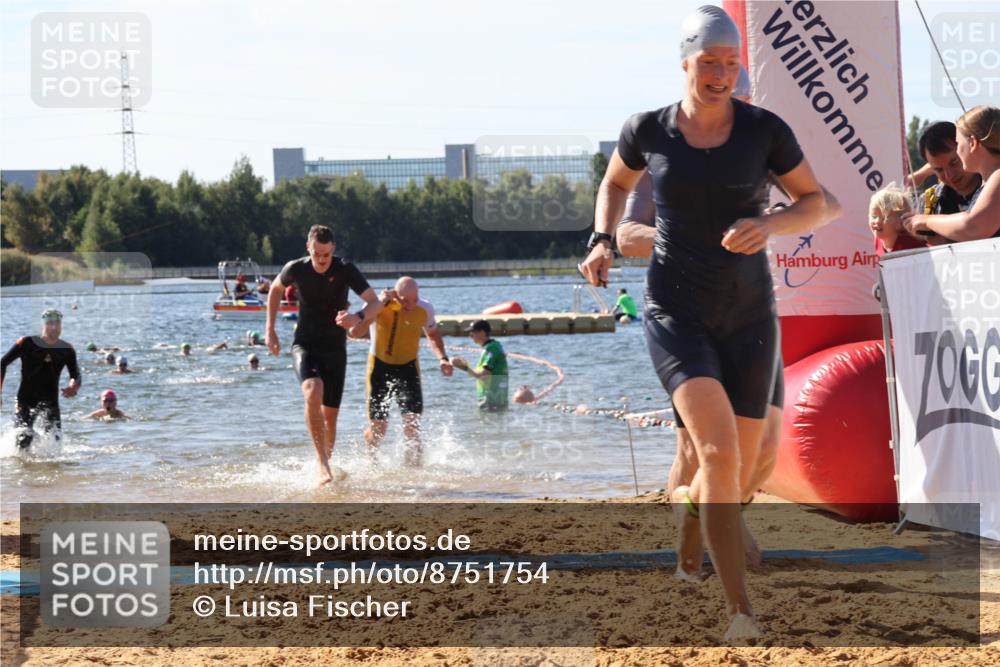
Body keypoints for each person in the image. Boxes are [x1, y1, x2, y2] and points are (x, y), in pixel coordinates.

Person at [580, 5, 837, 640]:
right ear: (685, 63)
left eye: (731, 63)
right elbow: (615, 185)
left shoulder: (762, 131)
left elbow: (822, 203)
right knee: (717, 454)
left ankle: (690, 508)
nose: (721, 74)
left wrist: (771, 224)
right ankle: (740, 612)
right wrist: (602, 238)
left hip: (748, 312)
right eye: (709, 63)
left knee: (749, 468)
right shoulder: (649, 130)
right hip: (675, 311)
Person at [266, 224, 383, 485]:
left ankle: (326, 468)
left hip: (334, 349)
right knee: (311, 389)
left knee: (330, 418)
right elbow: (275, 289)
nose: (321, 260)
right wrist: (270, 329)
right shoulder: (295, 268)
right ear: (308, 248)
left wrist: (358, 316)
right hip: (305, 344)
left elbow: (375, 303)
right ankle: (321, 464)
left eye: (326, 255)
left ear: (333, 251)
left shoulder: (345, 269)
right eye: (317, 253)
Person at [363, 277, 453, 467]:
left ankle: (414, 473)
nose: (410, 305)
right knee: (379, 428)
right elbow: (354, 331)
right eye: (405, 300)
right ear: (395, 294)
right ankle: (372, 460)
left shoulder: (424, 309)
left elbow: (434, 335)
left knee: (412, 425)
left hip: (408, 368)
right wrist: (378, 306)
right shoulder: (379, 305)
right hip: (379, 367)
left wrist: (442, 358)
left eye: (414, 299)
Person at [903, 106, 1000, 240]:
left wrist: (927, 221)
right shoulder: (991, 178)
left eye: (959, 143)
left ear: (972, 143)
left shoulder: (998, 176)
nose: (949, 175)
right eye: (938, 169)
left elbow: (973, 227)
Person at [1, 309, 81, 449]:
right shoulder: (26, 343)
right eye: (50, 323)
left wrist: (73, 386)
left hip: (50, 401)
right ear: (43, 325)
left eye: (57, 323)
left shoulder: (67, 349)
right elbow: (2, 363)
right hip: (26, 399)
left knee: (55, 443)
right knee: (23, 440)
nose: (54, 327)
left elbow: (76, 375)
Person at [453, 320, 508, 412]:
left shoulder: (491, 348)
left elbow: (484, 375)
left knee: (486, 424)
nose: (470, 335)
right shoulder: (495, 345)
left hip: (491, 399)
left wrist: (464, 367)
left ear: (482, 332)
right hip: (498, 398)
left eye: (473, 332)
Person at [869, 183, 923, 255]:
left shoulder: (910, 245)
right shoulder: (878, 240)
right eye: (874, 216)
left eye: (884, 217)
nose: (877, 221)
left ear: (901, 221)